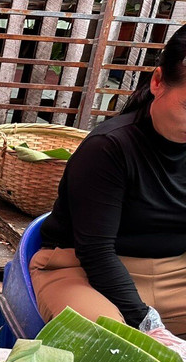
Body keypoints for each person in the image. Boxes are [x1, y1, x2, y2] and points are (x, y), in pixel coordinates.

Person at [31, 23, 186, 341]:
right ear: (158, 82)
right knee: (111, 347)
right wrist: (148, 324)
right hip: (80, 270)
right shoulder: (110, 147)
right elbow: (96, 251)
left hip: (174, 272)